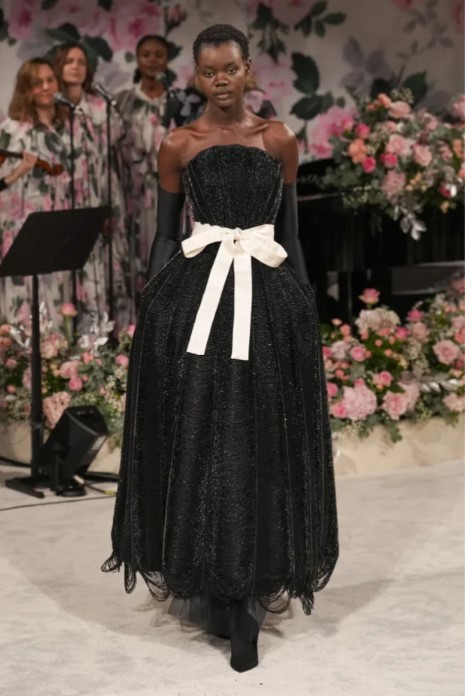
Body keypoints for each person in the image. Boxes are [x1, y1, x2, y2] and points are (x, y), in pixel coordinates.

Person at [102, 24, 338, 673]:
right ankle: (208, 573)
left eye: (230, 68)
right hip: (197, 298)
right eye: (208, 72)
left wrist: (303, 305)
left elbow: (291, 233)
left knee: (259, 431)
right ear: (197, 77)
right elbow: (163, 236)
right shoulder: (179, 143)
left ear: (247, 68)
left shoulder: (277, 138)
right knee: (202, 430)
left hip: (266, 299)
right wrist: (153, 307)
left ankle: (252, 578)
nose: (221, 81)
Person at [53, 42, 129, 330]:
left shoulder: (100, 106)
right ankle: (68, 334)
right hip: (66, 195)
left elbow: (116, 137)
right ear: (59, 66)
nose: (76, 66)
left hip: (101, 190)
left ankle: (104, 332)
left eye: (81, 62)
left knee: (103, 261)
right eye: (69, 61)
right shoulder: (52, 107)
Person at [116, 34, 192, 306]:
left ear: (167, 59)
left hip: (173, 189)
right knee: (139, 252)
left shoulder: (179, 100)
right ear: (138, 59)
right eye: (146, 54)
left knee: (174, 246)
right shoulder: (123, 101)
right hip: (135, 193)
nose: (152, 60)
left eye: (159, 55)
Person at [0, 58, 70, 324]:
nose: (46, 87)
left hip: (58, 219)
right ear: (25, 89)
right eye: (37, 83)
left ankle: (59, 344)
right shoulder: (11, 129)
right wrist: (19, 171)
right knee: (26, 296)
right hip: (22, 221)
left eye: (50, 80)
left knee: (58, 291)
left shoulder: (65, 129)